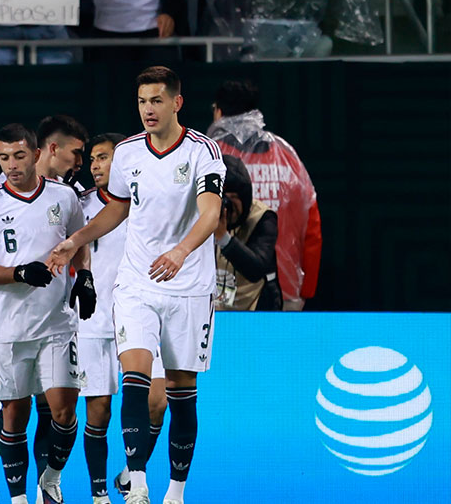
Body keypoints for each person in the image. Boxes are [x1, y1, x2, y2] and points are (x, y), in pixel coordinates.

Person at [49, 66, 225, 504]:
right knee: (135, 377)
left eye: (157, 101)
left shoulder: (204, 152)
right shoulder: (127, 152)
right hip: (137, 285)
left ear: (176, 103)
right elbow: (117, 209)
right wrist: (75, 240)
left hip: (189, 288)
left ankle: (176, 492)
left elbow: (210, 213)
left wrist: (182, 251)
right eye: (143, 101)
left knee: (182, 395)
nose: (148, 109)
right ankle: (138, 484)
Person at [0, 124, 93, 504]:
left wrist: (84, 276)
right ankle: (19, 498)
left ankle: (50, 480)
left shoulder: (64, 197)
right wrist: (18, 273)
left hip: (57, 323)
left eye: (19, 156)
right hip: (9, 328)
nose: (12, 165)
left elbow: (78, 240)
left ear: (37, 155)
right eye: (4, 157)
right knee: (14, 417)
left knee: (64, 411)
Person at [79, 134, 169, 503]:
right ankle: (100, 496)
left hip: (140, 313)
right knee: (98, 412)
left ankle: (131, 473)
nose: (96, 165)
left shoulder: (149, 203)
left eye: (104, 158)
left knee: (158, 401)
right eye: (93, 159)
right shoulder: (80, 204)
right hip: (93, 321)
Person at [207, 79, 320, 309]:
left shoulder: (206, 155)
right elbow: (311, 226)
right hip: (284, 292)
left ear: (218, 111)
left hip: (215, 292)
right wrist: (304, 288)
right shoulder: (286, 156)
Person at [214, 154, 281, 310]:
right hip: (212, 310)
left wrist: (223, 238)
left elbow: (256, 269)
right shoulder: (202, 214)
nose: (226, 205)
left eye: (233, 197)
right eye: (221, 197)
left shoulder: (263, 217)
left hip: (254, 310)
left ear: (245, 197)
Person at [0, 115, 89, 191]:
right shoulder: (7, 183)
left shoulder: (72, 188)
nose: (79, 162)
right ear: (54, 149)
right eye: (76, 153)